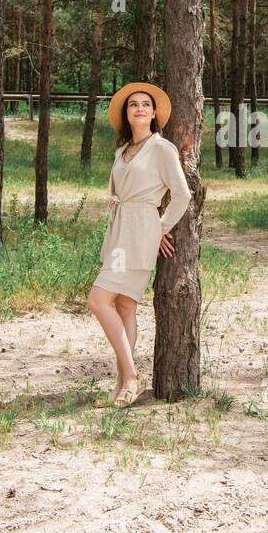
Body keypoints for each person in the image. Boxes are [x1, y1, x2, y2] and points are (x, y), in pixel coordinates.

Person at [87, 82, 192, 408]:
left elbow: (182, 194)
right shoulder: (122, 153)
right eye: (133, 104)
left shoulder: (162, 149)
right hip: (120, 231)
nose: (140, 108)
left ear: (154, 113)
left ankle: (131, 375)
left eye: (146, 104)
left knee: (98, 300)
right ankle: (121, 385)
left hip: (138, 233)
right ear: (126, 113)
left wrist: (159, 227)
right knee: (124, 306)